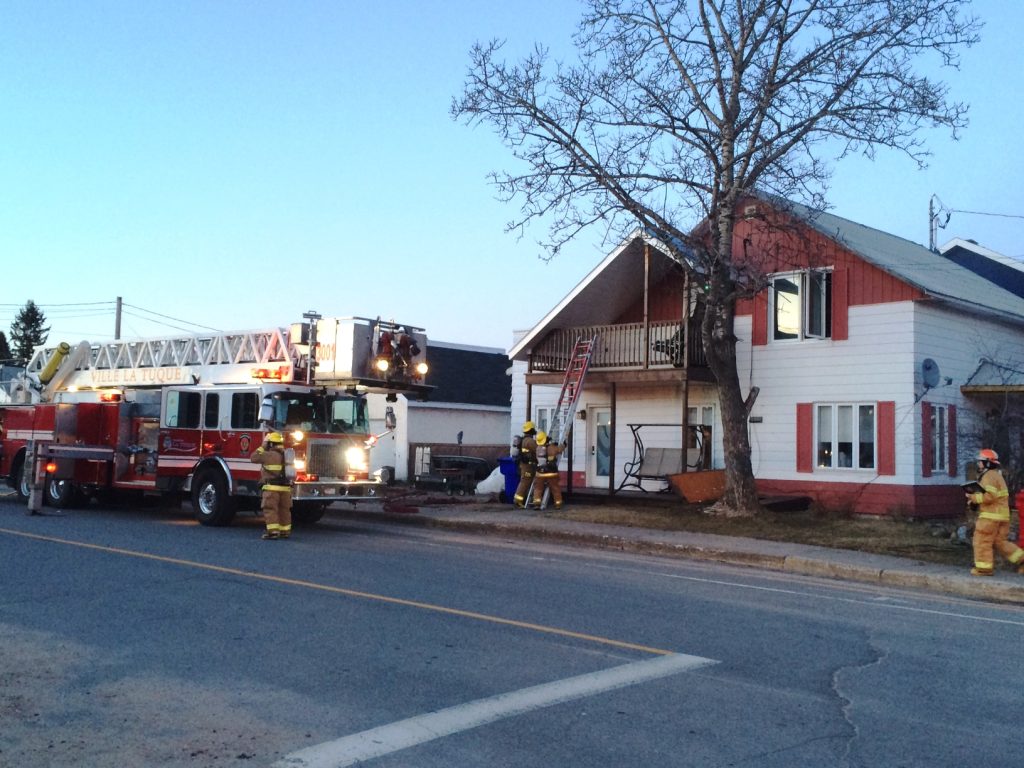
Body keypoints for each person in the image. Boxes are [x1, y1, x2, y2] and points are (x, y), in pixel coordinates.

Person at [965, 448, 1024, 576]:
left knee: (982, 541)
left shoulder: (988, 476)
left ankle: (983, 569)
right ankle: (1022, 560)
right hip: (1002, 516)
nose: (978, 464)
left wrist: (972, 497)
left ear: (987, 463)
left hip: (990, 517)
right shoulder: (997, 476)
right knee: (1000, 542)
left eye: (980, 462)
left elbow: (989, 496)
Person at [250, 431, 292, 540]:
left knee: (270, 509)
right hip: (286, 489)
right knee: (284, 510)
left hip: (271, 489)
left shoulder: (268, 455)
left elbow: (253, 457)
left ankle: (273, 532)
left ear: (271, 444)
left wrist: (263, 446)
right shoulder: (287, 456)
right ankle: (285, 531)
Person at [532, 431, 564, 510]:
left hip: (540, 473)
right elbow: (560, 450)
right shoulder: (551, 447)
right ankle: (558, 504)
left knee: (538, 488)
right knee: (555, 488)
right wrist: (564, 445)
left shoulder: (538, 449)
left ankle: (536, 503)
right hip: (551, 473)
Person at [513, 420, 538, 508]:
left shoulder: (524, 440)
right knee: (525, 482)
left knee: (525, 482)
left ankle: (524, 500)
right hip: (528, 466)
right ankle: (518, 501)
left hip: (525, 465)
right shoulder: (530, 441)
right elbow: (537, 450)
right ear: (531, 430)